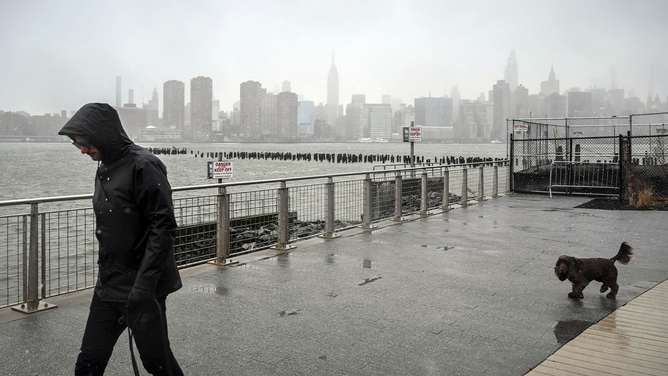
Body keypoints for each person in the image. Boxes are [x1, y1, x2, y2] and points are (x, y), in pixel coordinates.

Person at [59, 103, 184, 375]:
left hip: (143, 287)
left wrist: (144, 286)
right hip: (108, 284)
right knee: (89, 362)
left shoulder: (145, 165)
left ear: (103, 135)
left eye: (86, 143)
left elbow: (162, 228)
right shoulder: (104, 165)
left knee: (157, 363)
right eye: (77, 145)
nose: (82, 150)